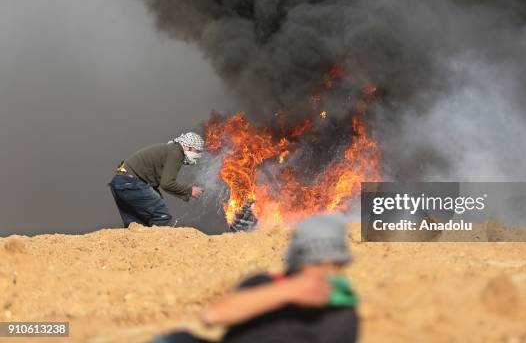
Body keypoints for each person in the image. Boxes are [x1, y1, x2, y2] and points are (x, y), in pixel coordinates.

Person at [154, 214, 359, 343]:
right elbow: (213, 315)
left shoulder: (340, 312)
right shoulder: (264, 284)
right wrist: (289, 291)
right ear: (297, 262)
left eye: (333, 265)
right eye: (315, 264)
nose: (323, 274)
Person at [109, 132, 205, 228]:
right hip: (131, 183)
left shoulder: (170, 149)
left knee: (135, 225)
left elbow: (152, 179)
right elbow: (167, 183)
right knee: (161, 216)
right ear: (187, 147)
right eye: (197, 151)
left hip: (120, 182)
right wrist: (190, 190)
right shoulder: (176, 153)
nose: (198, 155)